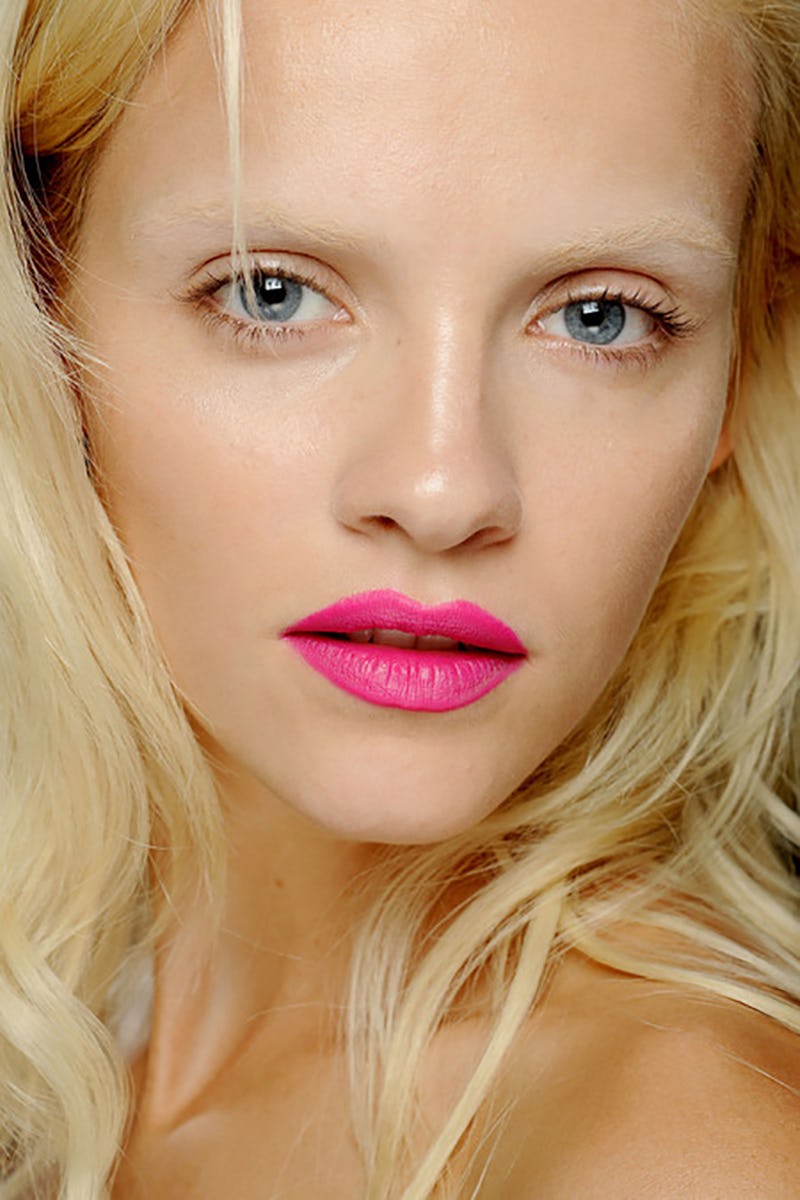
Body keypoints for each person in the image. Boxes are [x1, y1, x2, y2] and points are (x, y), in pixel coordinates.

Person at [1, 0, 798, 1195]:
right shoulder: (76, 1020)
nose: (442, 491)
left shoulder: (675, 1157)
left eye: (598, 316)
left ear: (738, 364)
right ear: (41, 300)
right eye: (272, 293)